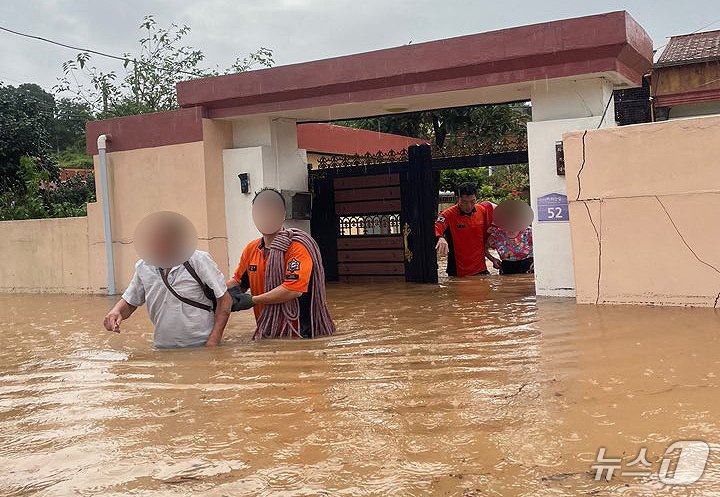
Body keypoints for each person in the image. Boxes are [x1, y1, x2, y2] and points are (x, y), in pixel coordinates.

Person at [102, 211, 232, 348]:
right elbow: (130, 302)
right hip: (163, 348)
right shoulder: (144, 266)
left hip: (201, 345)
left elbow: (225, 301)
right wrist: (115, 312)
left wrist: (213, 342)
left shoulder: (199, 261)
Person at [227, 188, 335, 339]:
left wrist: (253, 300)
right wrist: (214, 290)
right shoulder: (251, 249)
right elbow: (238, 283)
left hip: (299, 334)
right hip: (268, 332)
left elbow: (293, 290)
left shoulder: (298, 248)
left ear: (283, 214)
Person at [435, 182, 493, 277]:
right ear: (457, 199)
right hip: (457, 272)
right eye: (465, 202)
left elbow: (490, 235)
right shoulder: (448, 215)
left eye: (472, 201)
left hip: (480, 269)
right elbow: (435, 228)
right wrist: (440, 238)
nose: (469, 206)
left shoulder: (482, 211)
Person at [484, 199, 534, 275]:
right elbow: (484, 248)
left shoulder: (529, 232)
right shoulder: (497, 234)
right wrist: (493, 260)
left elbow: (543, 248)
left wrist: (536, 263)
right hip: (506, 271)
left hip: (528, 270)